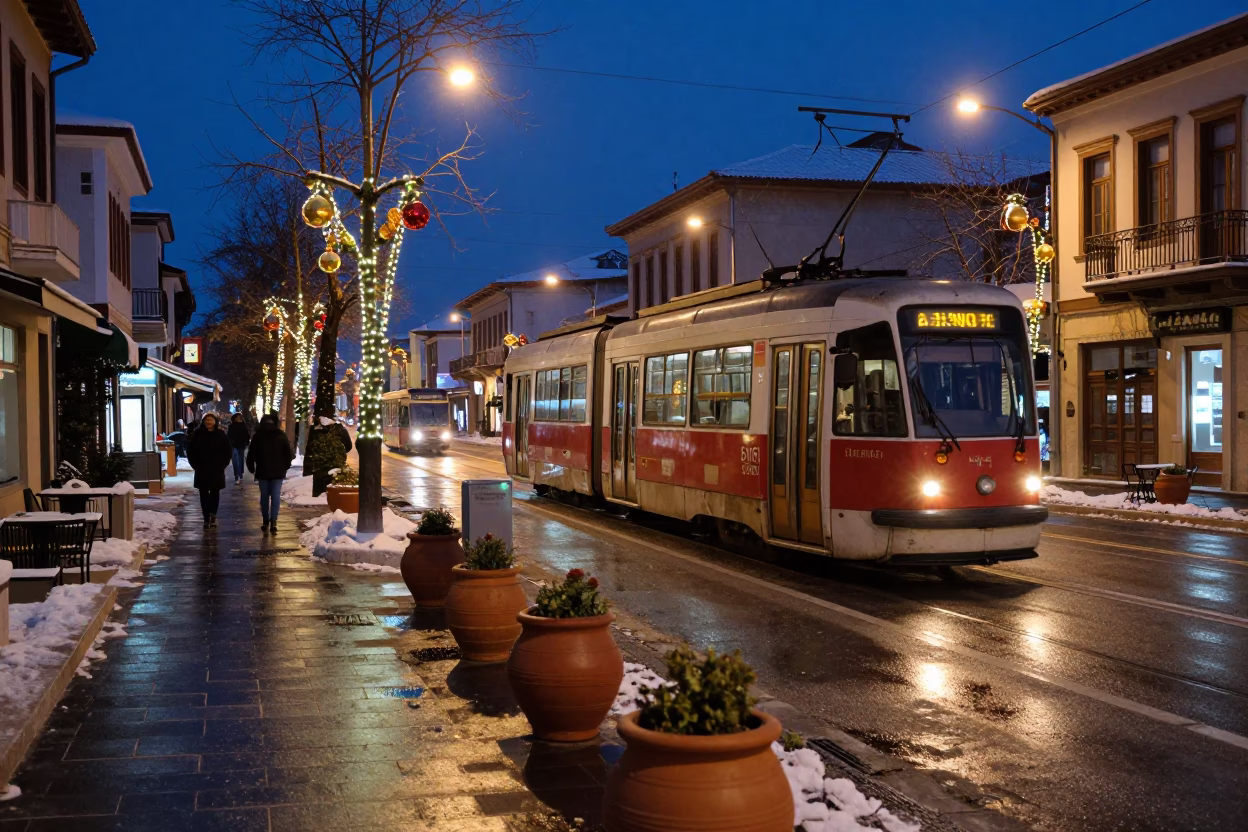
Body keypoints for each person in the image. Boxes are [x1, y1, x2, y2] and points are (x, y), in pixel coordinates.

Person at [247, 413, 293, 533]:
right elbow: (288, 453)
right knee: (276, 495)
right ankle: (274, 521)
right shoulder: (281, 435)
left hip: (263, 470)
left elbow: (251, 454)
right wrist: (285, 466)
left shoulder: (258, 436)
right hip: (278, 471)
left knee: (264, 496)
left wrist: (251, 467)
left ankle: (265, 520)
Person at [187, 412, 232, 528]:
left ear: (215, 422)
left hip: (217, 469)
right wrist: (195, 465)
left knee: (215, 493)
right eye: (206, 420)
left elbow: (227, 451)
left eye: (211, 420)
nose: (208, 422)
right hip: (201, 469)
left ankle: (213, 515)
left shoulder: (221, 434)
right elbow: (191, 451)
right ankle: (206, 517)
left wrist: (223, 464)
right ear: (203, 421)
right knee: (203, 493)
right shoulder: (198, 434)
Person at [227, 412, 251, 485]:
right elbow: (229, 435)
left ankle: (240, 475)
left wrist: (246, 443)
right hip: (234, 445)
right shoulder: (232, 425)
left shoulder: (243, 425)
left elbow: (247, 435)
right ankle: (237, 476)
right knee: (235, 461)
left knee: (240, 461)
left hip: (241, 445)